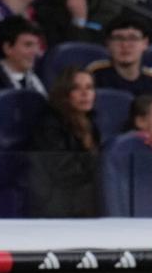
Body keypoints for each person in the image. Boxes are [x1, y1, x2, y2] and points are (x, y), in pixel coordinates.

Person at [26, 67, 101, 218]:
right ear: (64, 93)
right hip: (55, 199)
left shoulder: (91, 123)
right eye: (76, 88)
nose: (85, 94)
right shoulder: (50, 124)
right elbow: (64, 172)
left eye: (89, 88)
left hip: (80, 195)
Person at [87, 17, 152, 98]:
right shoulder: (95, 75)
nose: (125, 45)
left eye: (133, 38)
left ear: (145, 43)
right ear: (108, 44)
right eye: (118, 38)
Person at [0, 16, 46, 102]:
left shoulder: (39, 75)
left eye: (36, 45)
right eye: (28, 45)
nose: (36, 52)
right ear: (7, 48)